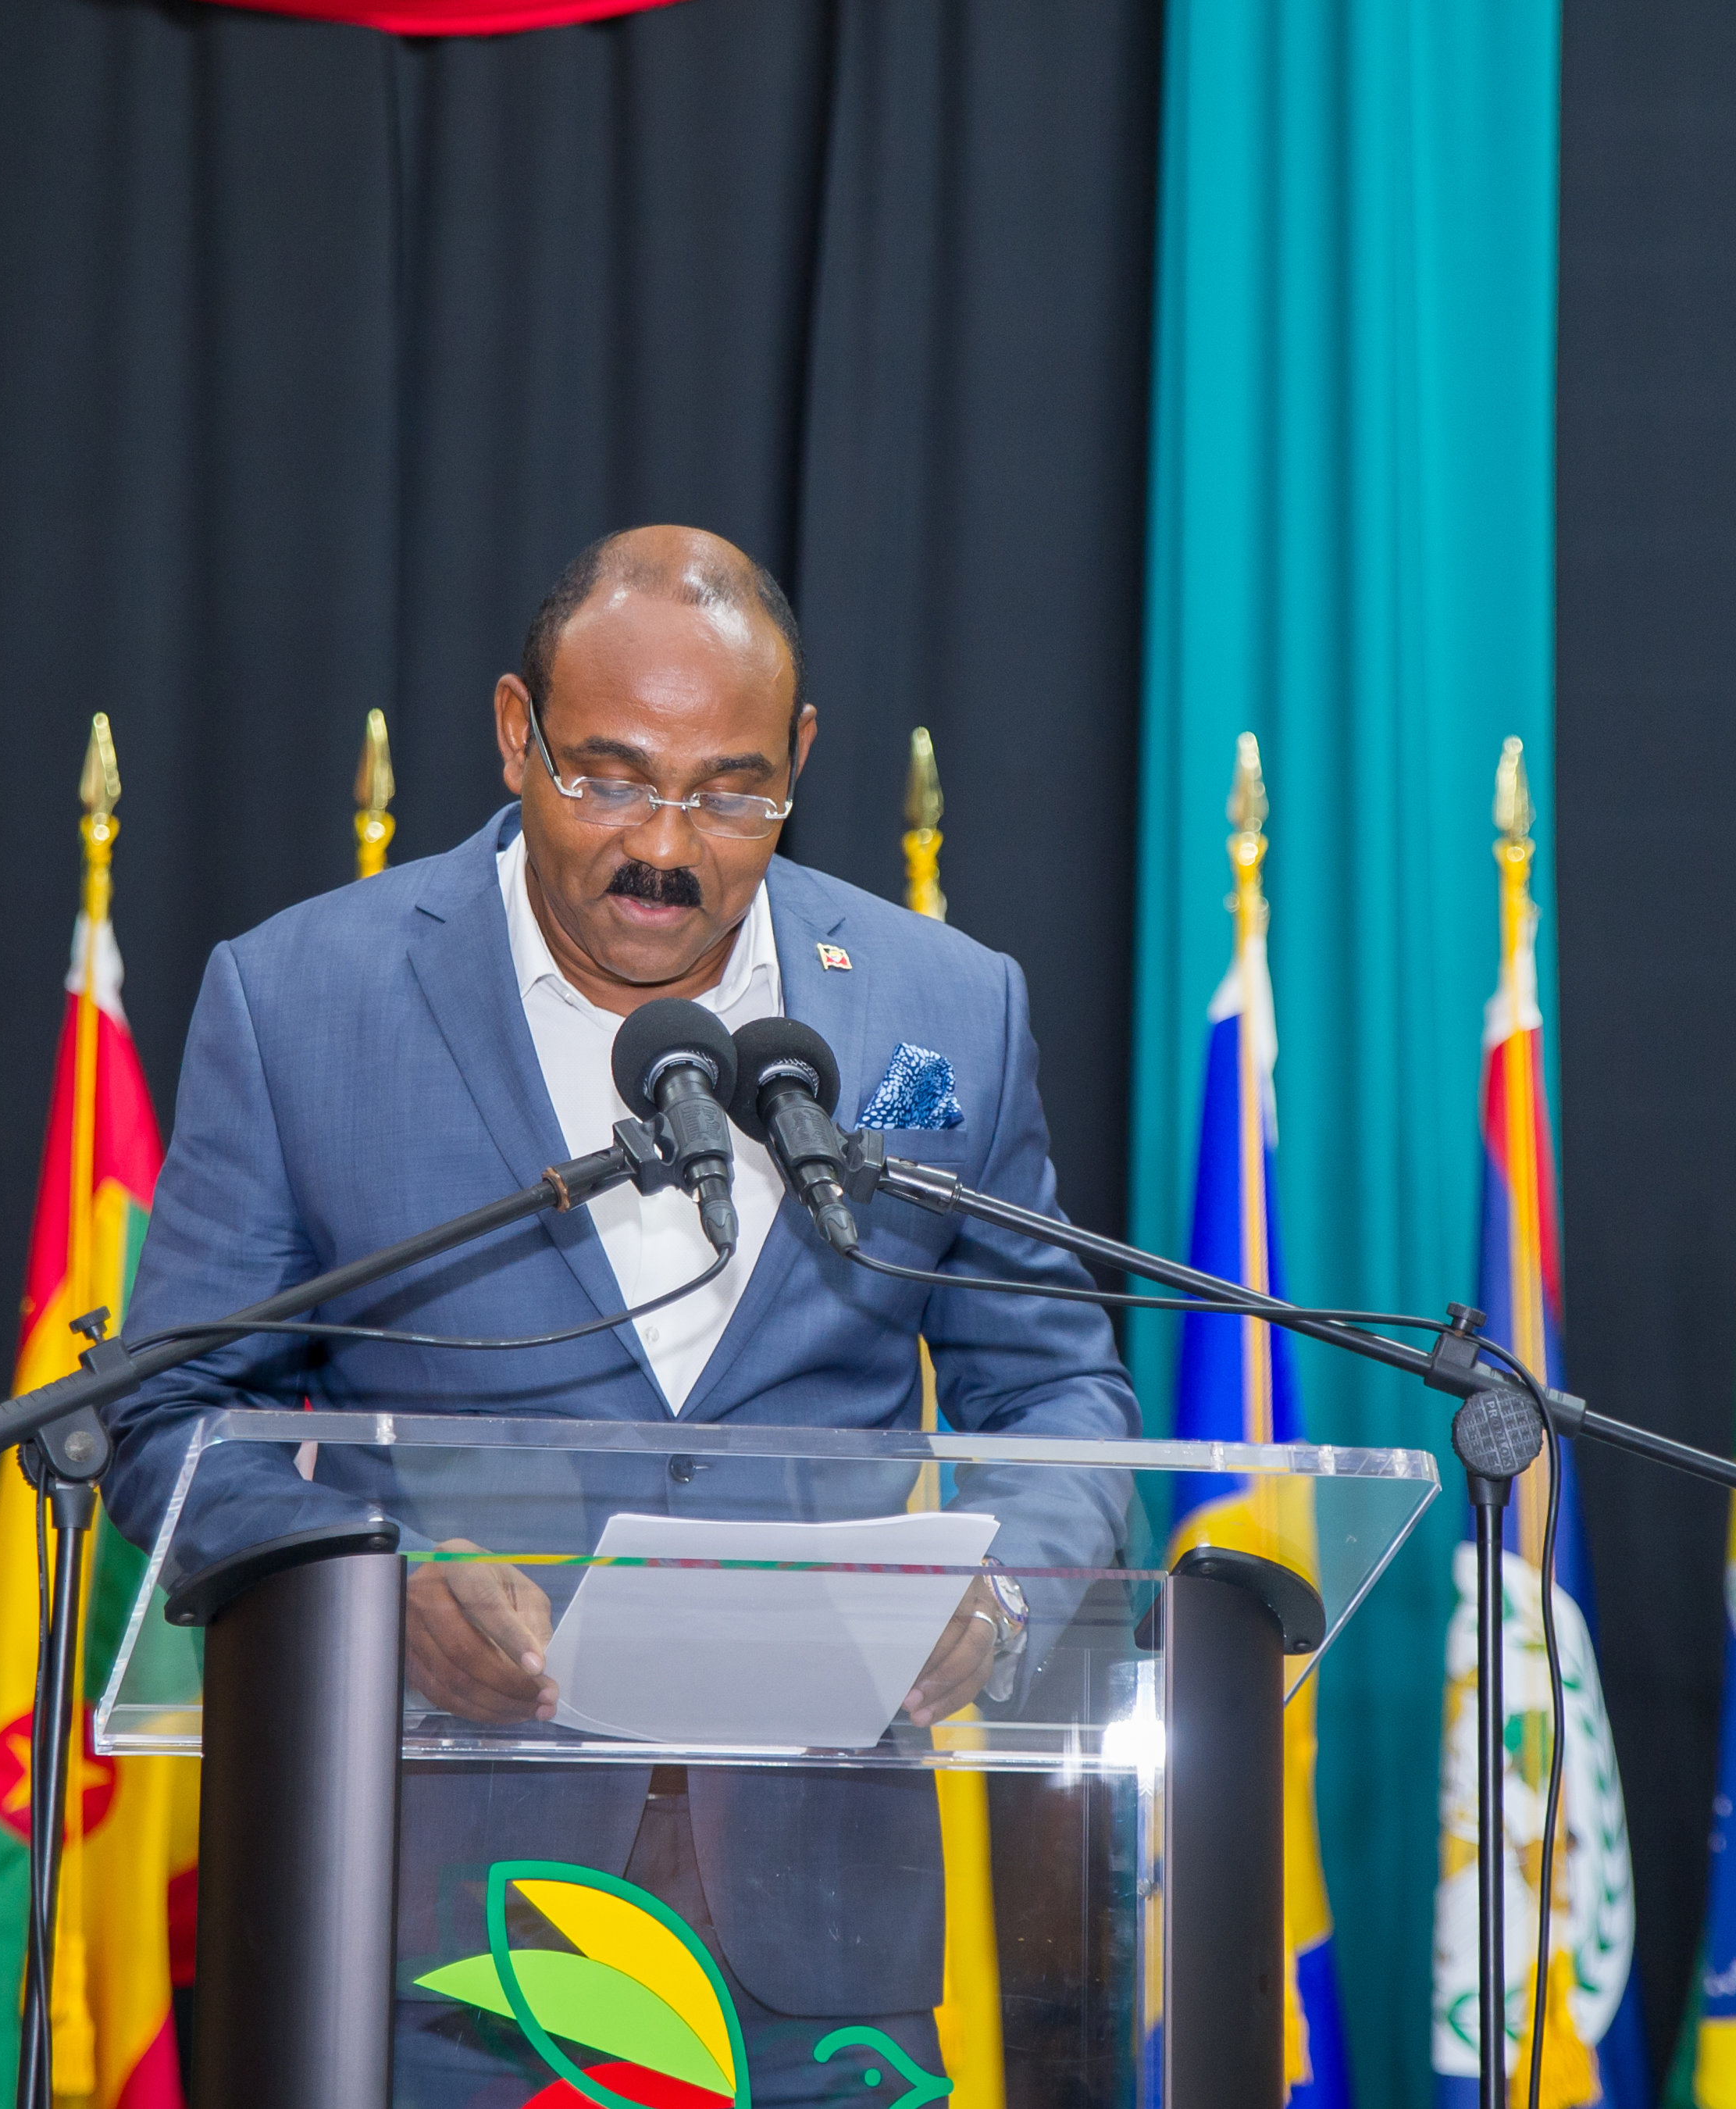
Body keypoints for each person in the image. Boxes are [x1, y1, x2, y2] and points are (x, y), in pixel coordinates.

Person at [101, 525, 1135, 2106]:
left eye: (729, 790)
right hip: (431, 1933)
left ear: (797, 758)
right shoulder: (307, 999)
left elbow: (1058, 1391)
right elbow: (165, 1423)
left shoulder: (942, 1007)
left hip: (824, 1945)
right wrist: (377, 1588)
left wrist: (999, 1601)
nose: (665, 845)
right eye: (609, 776)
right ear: (514, 735)